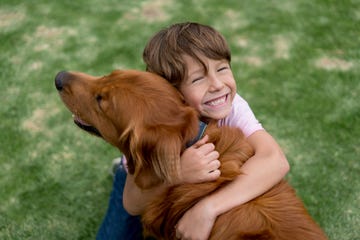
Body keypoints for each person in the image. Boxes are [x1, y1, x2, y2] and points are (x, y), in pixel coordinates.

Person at [97, 22, 290, 240]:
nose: (218, 85)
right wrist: (177, 174)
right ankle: (123, 170)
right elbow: (133, 203)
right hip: (152, 174)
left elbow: (275, 160)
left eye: (222, 68)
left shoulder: (233, 105)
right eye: (198, 79)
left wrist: (208, 209)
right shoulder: (151, 122)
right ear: (173, 93)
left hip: (201, 181)